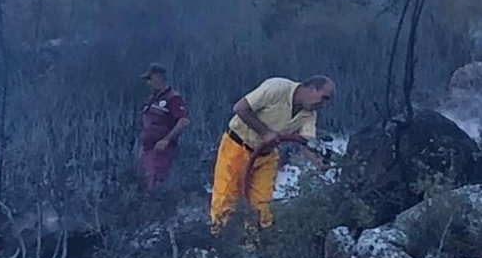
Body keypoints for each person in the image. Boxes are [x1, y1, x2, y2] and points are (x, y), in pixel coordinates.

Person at [210, 75, 334, 232]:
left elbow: (305, 142)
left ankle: (255, 245)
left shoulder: (309, 114)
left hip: (266, 155)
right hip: (237, 147)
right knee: (226, 198)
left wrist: (318, 162)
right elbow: (240, 108)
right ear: (312, 88)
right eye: (323, 98)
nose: (323, 105)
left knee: (262, 204)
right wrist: (265, 132)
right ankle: (219, 240)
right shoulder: (277, 88)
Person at [137, 63, 190, 191]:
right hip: (146, 148)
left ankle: (156, 207)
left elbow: (183, 121)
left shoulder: (173, 98)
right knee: (141, 179)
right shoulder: (153, 98)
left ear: (158, 78)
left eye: (150, 79)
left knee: (155, 180)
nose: (148, 83)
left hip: (160, 149)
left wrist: (166, 140)